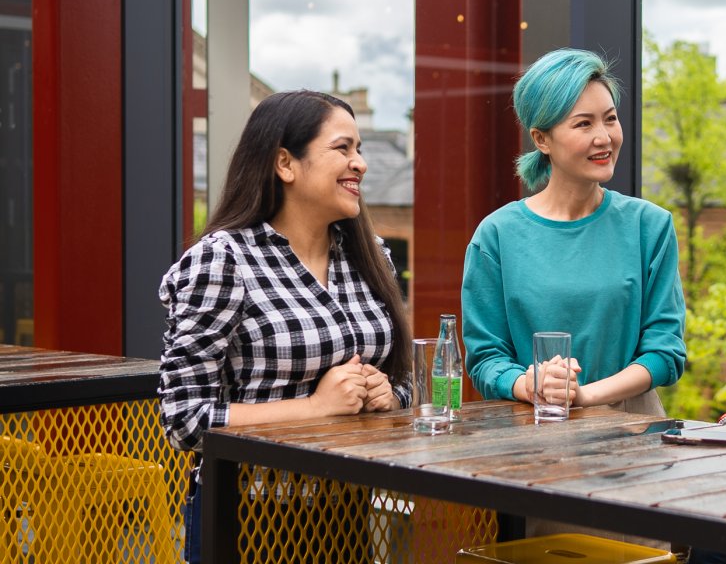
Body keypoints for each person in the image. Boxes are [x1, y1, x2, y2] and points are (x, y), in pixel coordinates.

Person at [158, 90, 413, 562]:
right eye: (343, 148)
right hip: (249, 515)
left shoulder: (370, 254)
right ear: (285, 163)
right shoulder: (222, 260)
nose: (360, 164)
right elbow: (184, 420)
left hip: (350, 509)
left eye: (360, 150)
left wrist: (387, 394)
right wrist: (316, 407)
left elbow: (404, 384)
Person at [462, 47, 686, 416]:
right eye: (584, 124)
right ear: (541, 139)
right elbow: (485, 358)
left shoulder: (650, 226)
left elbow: (666, 352)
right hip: (531, 432)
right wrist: (529, 384)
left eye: (610, 119)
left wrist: (583, 395)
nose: (604, 138)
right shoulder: (496, 235)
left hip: (632, 437)